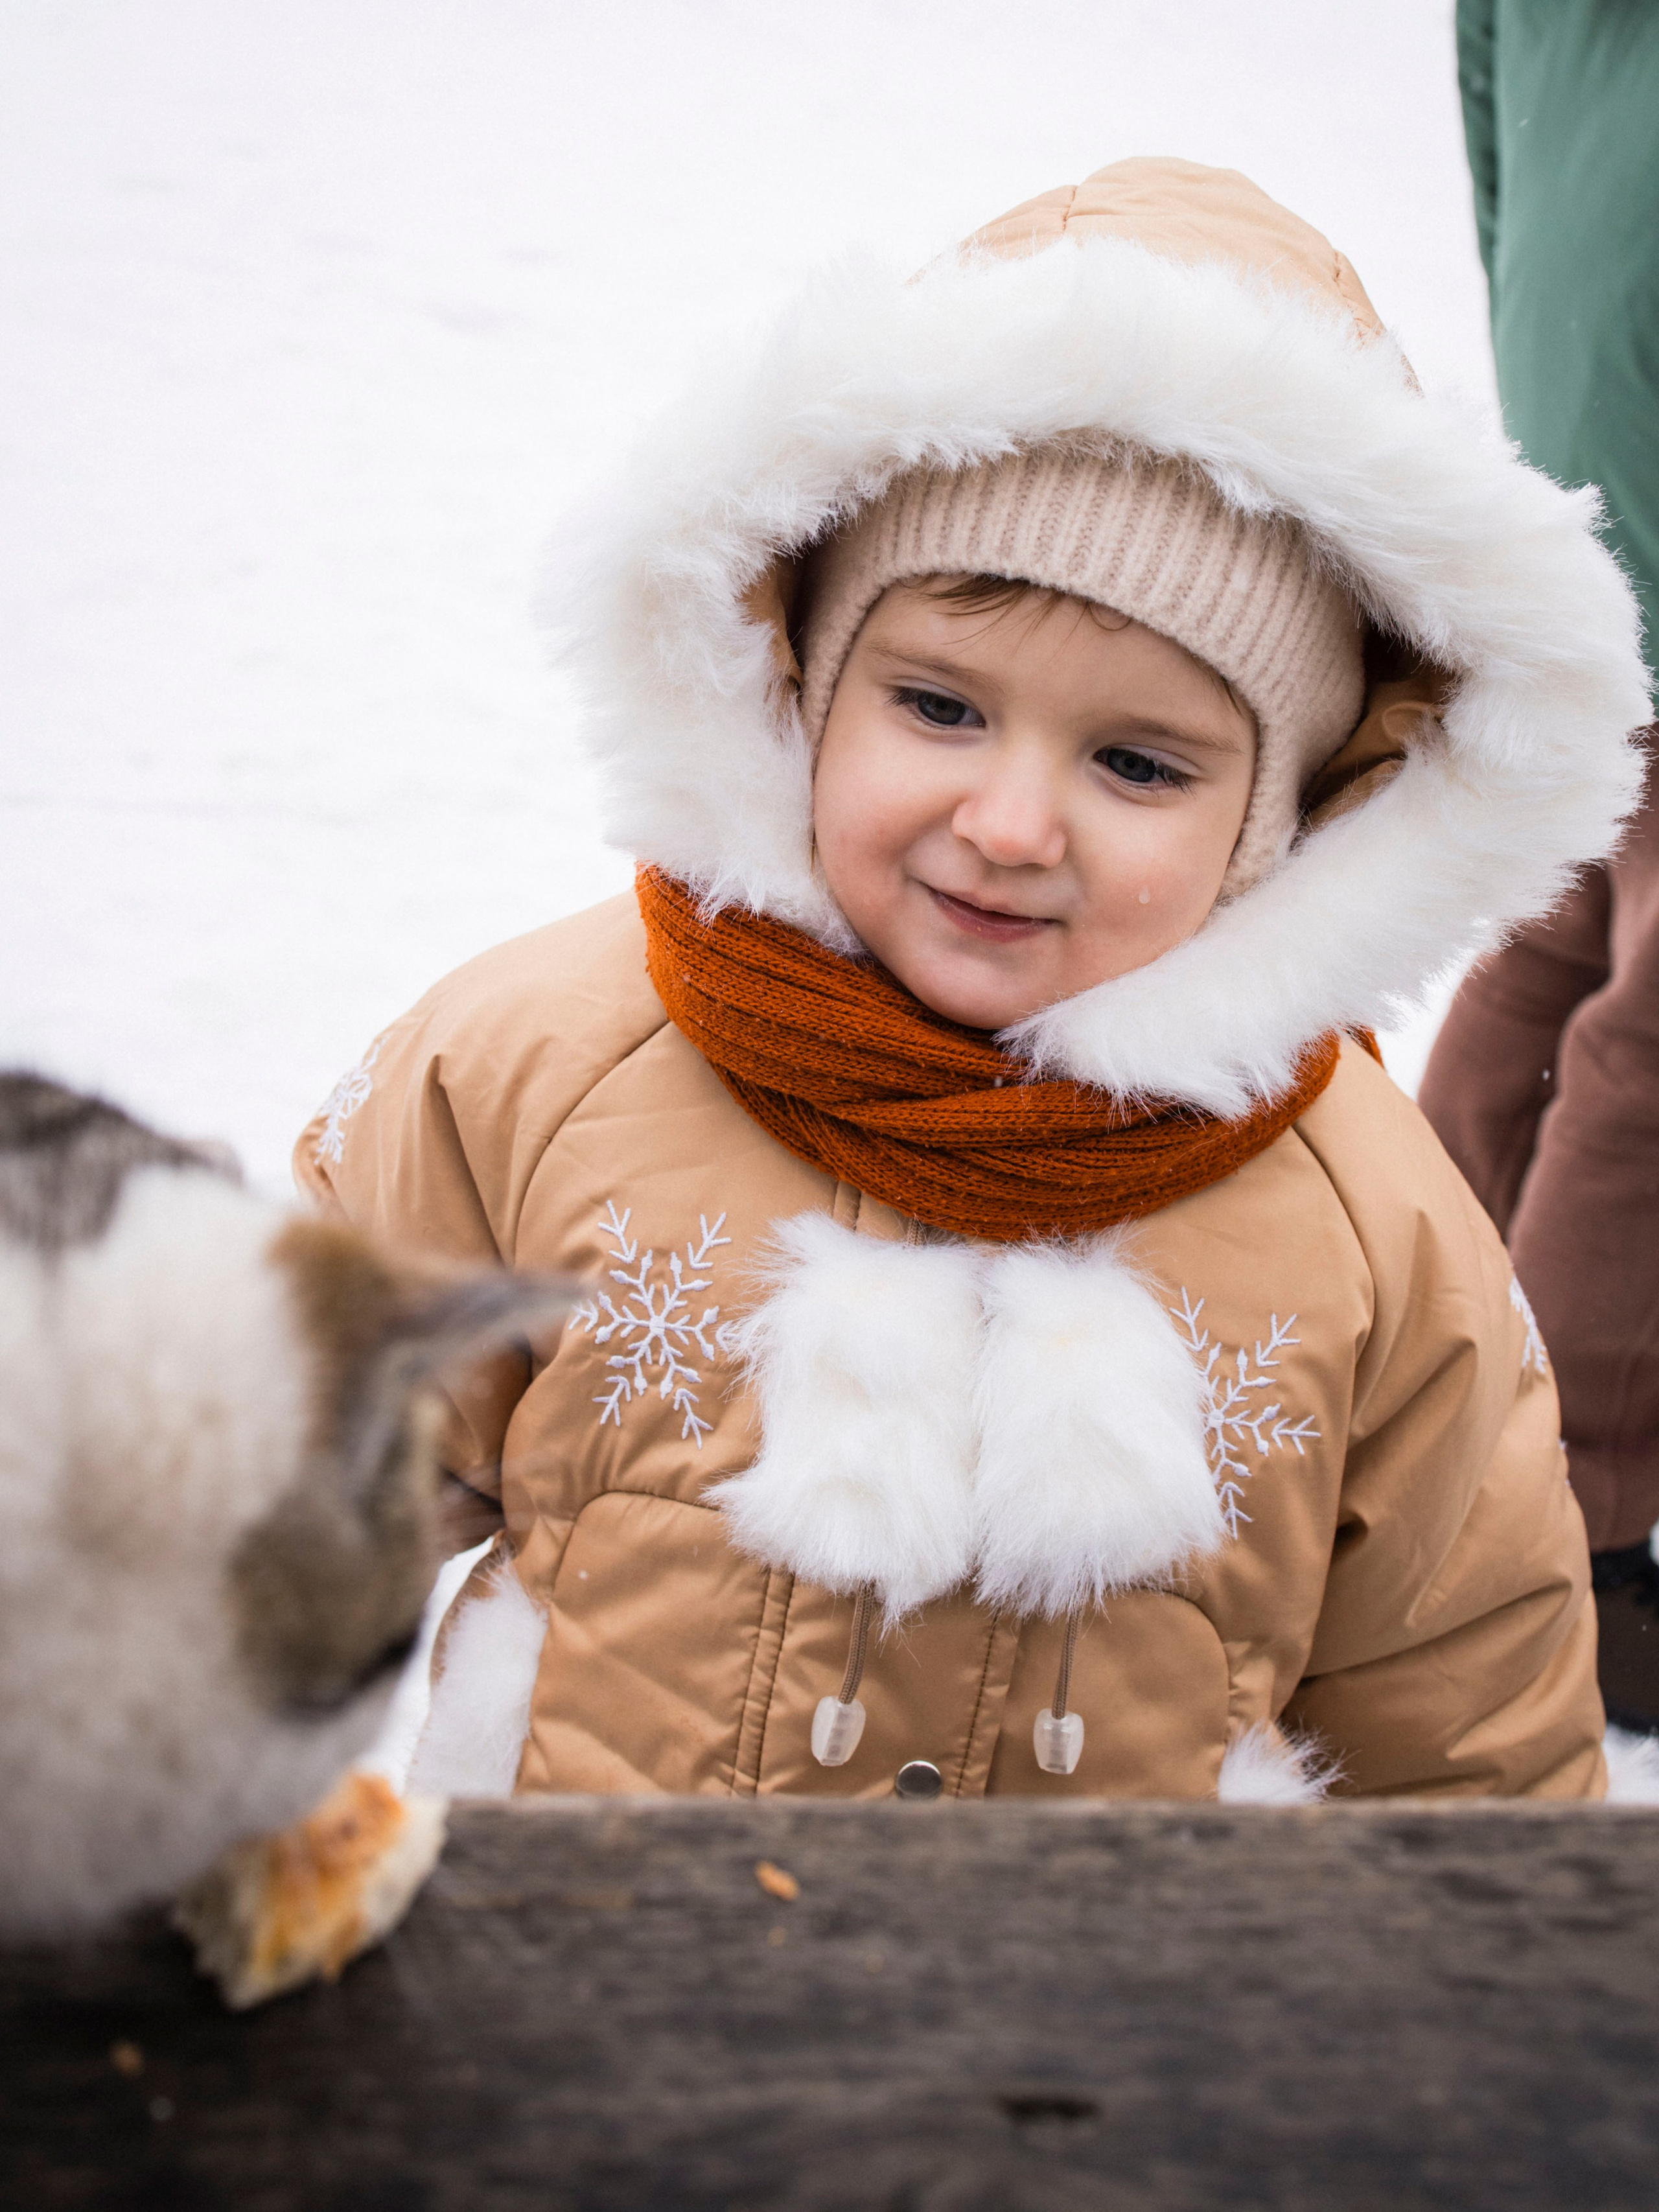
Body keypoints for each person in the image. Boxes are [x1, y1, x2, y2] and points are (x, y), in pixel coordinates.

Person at [298, 159, 1649, 1805]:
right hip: (589, 1958)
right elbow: (259, 1526)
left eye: (1137, 764)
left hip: (1118, 1984)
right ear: (806, 681)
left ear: (1277, 828)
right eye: (938, 707)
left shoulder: (1373, 1237)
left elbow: (1469, 1759)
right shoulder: (534, 1070)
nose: (1007, 827)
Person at [1419, 4, 1659, 1730]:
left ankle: (1388, 1372)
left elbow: (1492, 114)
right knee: (1645, 1034)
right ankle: (1573, 1542)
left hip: (1593, 427)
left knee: (1561, 942)